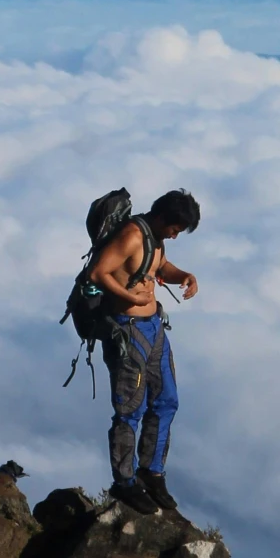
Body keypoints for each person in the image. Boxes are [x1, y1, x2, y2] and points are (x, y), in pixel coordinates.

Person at [88, 188, 201, 514]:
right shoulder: (132, 236)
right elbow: (97, 273)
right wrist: (132, 298)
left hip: (154, 329)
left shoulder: (155, 239)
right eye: (175, 229)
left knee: (167, 400)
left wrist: (185, 277)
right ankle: (123, 483)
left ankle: (151, 472)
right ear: (164, 218)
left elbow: (160, 267)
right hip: (129, 330)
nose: (175, 236)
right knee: (129, 410)